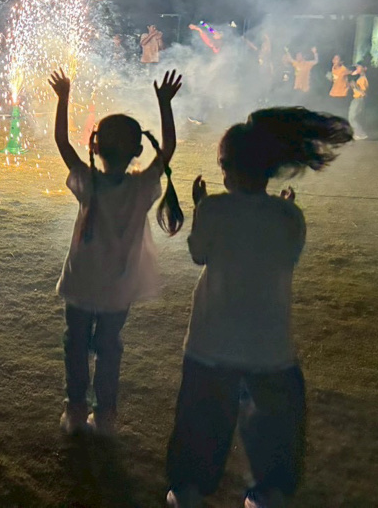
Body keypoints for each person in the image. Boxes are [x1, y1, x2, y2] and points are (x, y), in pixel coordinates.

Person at [165, 107, 352, 508]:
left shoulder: (214, 209)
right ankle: (267, 494)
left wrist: (201, 208)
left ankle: (188, 492)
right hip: (270, 345)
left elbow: (199, 254)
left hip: (211, 340)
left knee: (202, 420)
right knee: (272, 429)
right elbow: (286, 256)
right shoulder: (289, 216)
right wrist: (281, 209)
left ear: (227, 168)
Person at [49, 67, 184, 436]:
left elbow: (63, 143)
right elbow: (168, 150)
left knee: (75, 344)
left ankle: (75, 410)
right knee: (109, 347)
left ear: (94, 146)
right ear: (139, 150)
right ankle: (105, 416)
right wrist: (165, 104)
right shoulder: (141, 188)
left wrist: (63, 98)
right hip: (119, 288)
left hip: (81, 282)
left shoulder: (88, 182)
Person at [348, 64, 369, 140]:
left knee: (352, 117)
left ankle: (361, 133)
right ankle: (357, 133)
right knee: (352, 117)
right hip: (356, 98)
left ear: (364, 68)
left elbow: (363, 92)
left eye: (359, 67)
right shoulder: (359, 78)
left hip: (359, 99)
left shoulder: (363, 79)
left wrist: (355, 86)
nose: (357, 68)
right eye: (357, 67)